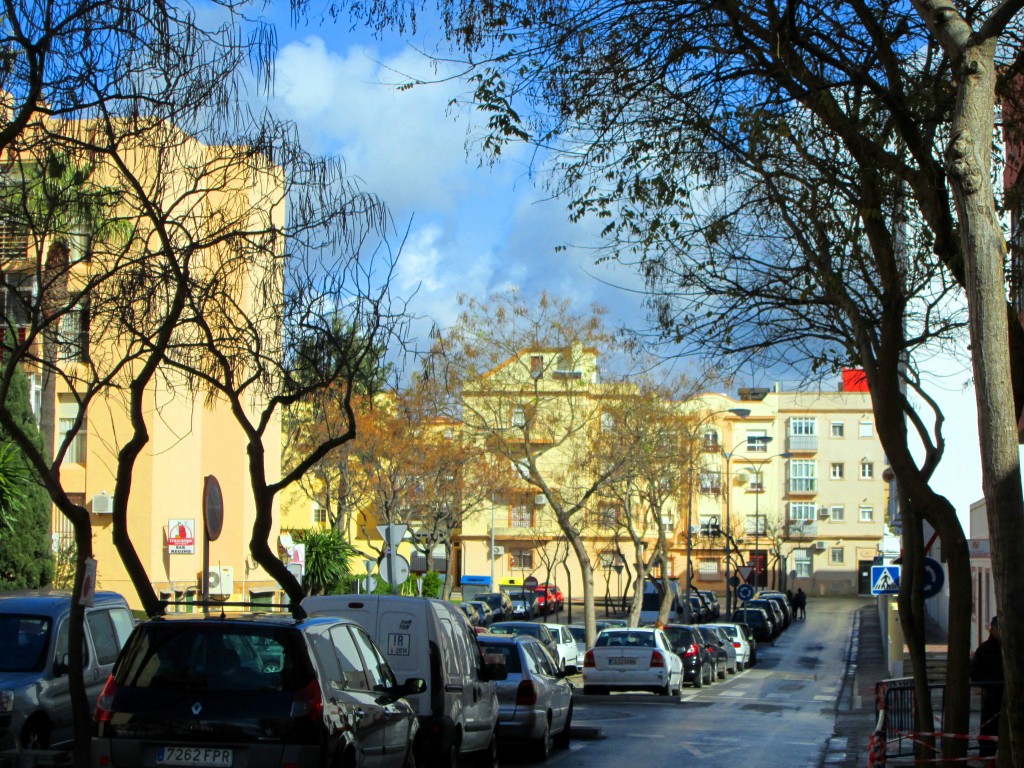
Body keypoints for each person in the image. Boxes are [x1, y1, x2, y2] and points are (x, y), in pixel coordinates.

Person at [970, 616, 1003, 758]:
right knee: (989, 729)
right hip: (991, 697)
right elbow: (974, 672)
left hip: (1005, 697)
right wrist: (987, 685)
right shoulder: (984, 650)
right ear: (993, 629)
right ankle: (986, 754)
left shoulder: (1009, 648)